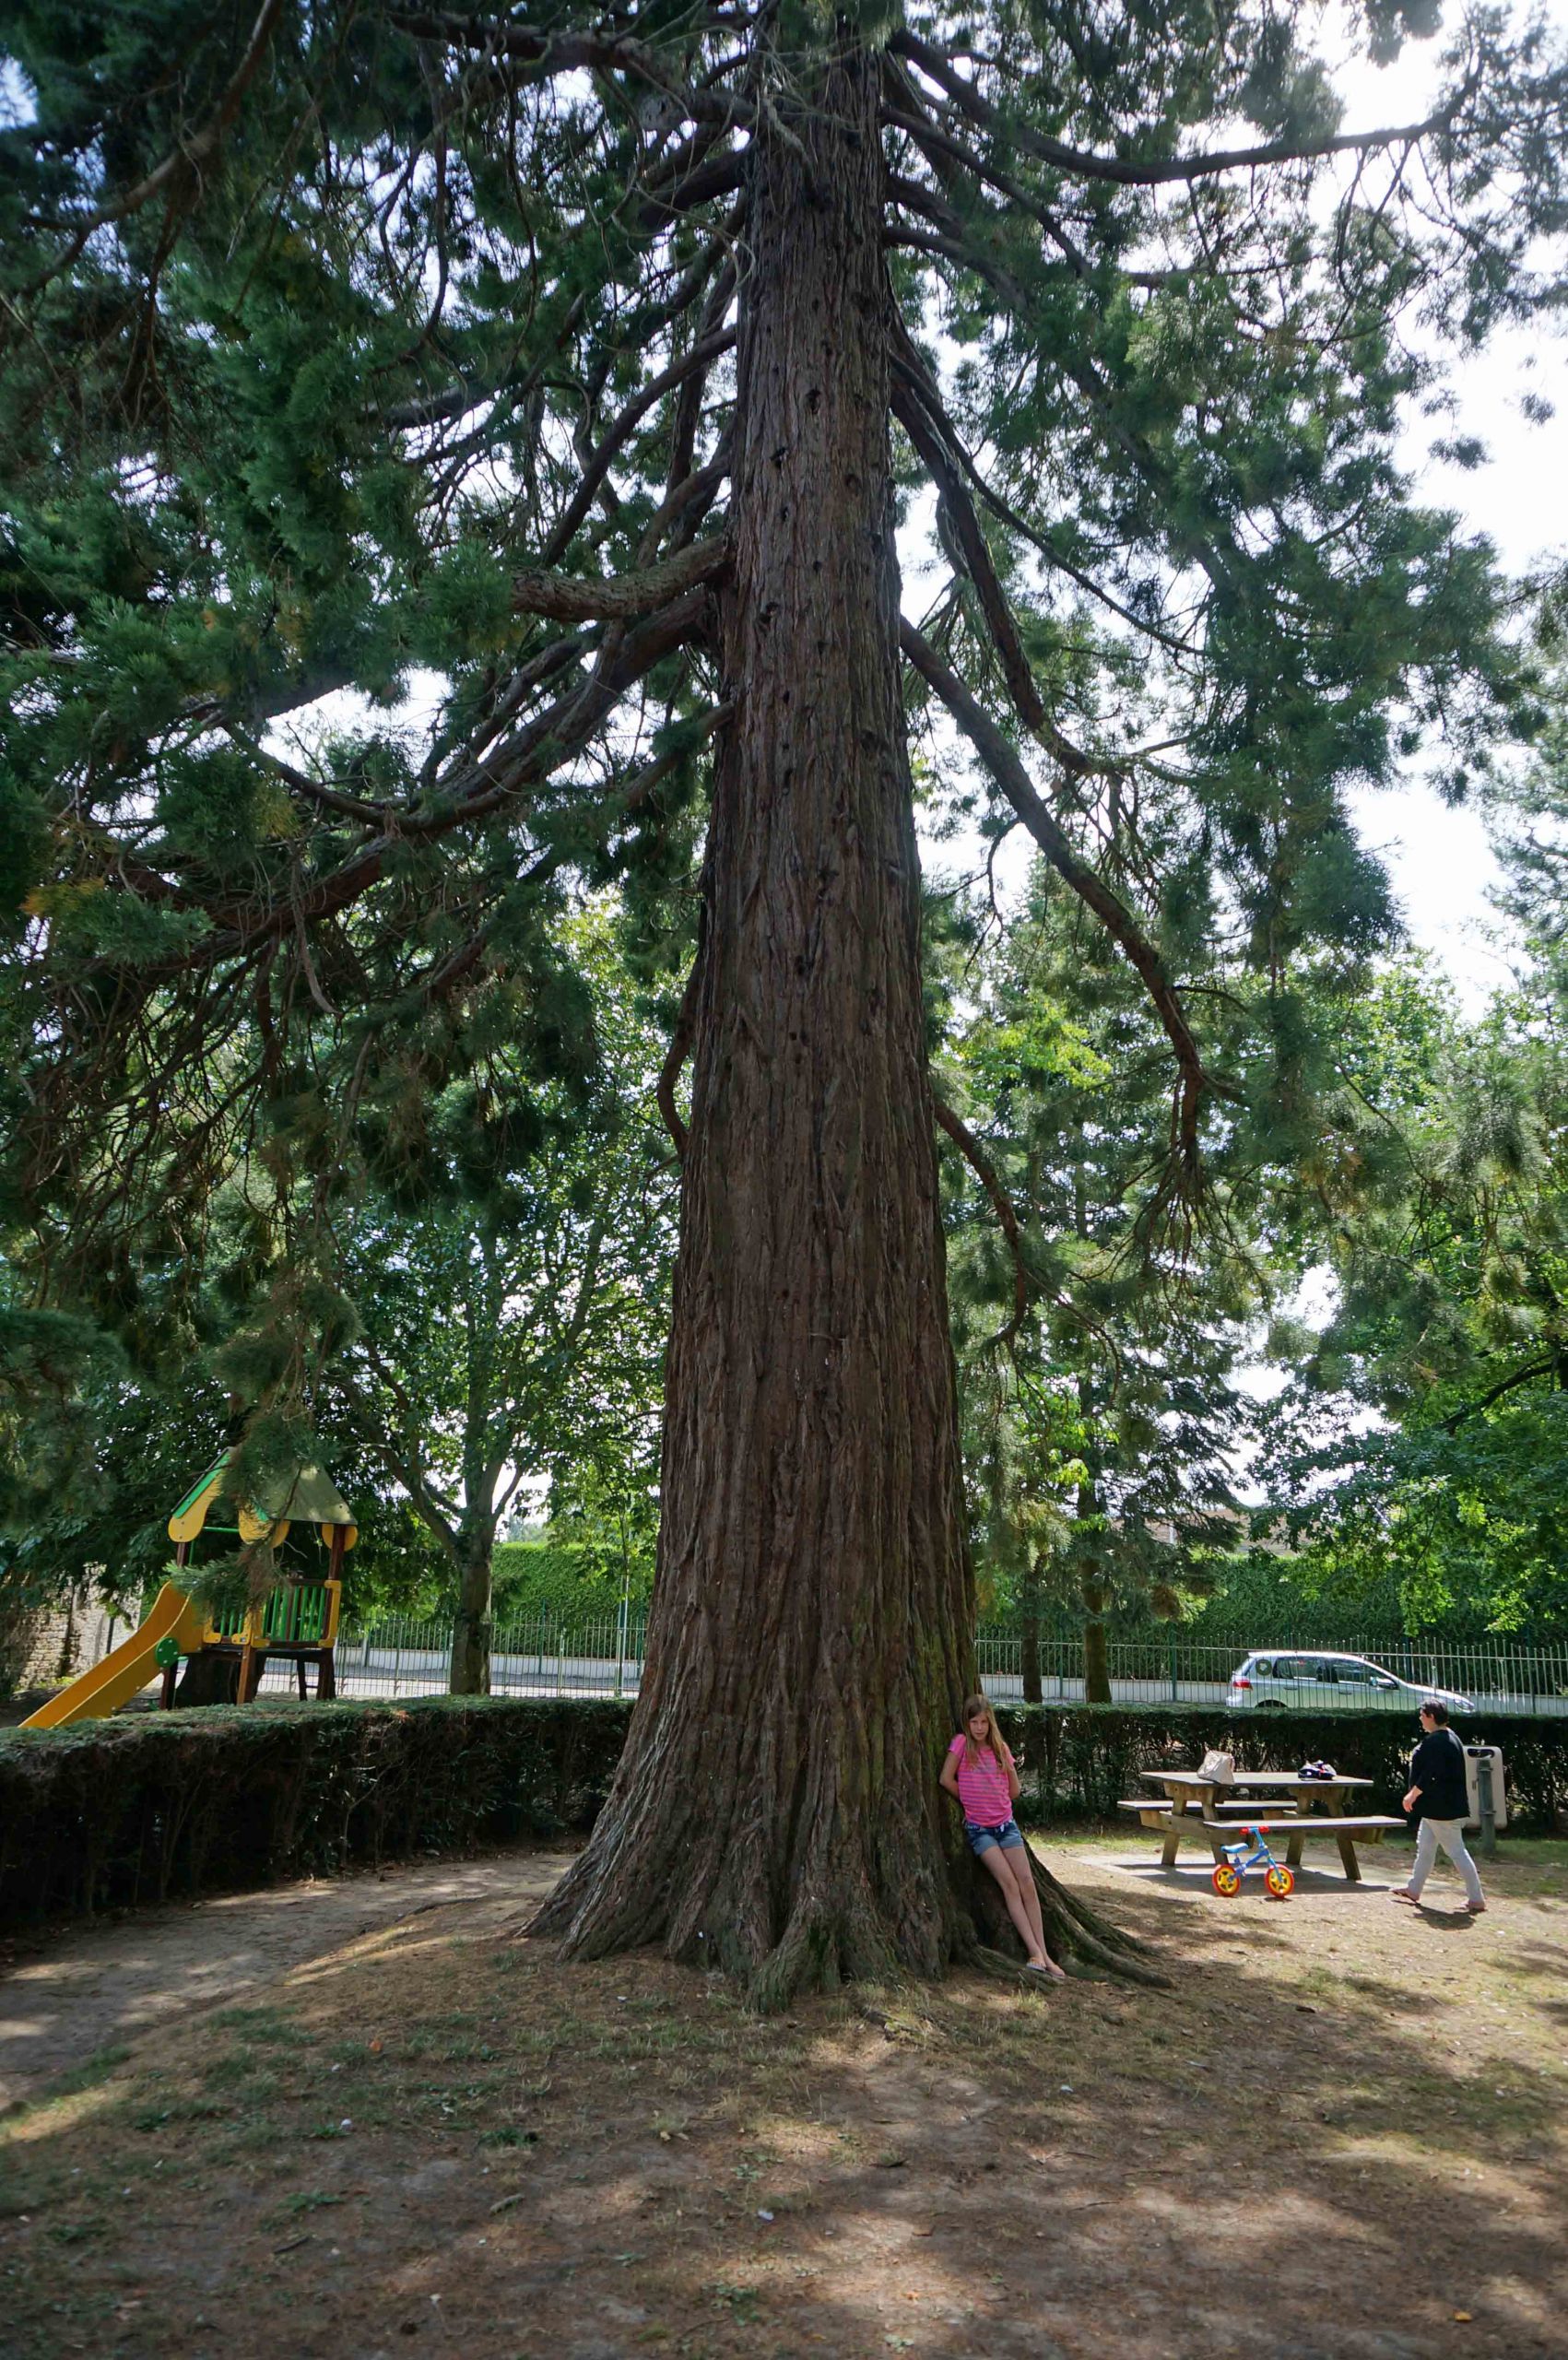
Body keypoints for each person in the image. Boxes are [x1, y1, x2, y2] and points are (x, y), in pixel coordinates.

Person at [940, 1693, 1065, 1977]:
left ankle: (1045, 1954)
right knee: (1009, 1884)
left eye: (984, 1721)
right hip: (980, 1830)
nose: (980, 1727)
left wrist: (995, 1799)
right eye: (974, 1722)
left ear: (991, 1722)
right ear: (967, 1723)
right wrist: (970, 1800)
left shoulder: (1000, 1749)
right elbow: (945, 1779)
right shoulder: (961, 1745)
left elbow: (1015, 1790)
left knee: (1027, 1884)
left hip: (1006, 1825)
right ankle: (1033, 1950)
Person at [1392, 1701, 1486, 1914]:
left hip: (1441, 1809)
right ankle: (1414, 1889)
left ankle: (1476, 1899)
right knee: (1425, 1847)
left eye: (1422, 1715)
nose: (1420, 1718)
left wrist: (1412, 1795)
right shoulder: (1451, 1737)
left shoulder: (1438, 1742)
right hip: (1438, 1808)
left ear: (1432, 1716)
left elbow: (1431, 1774)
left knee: (1457, 1852)